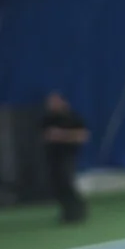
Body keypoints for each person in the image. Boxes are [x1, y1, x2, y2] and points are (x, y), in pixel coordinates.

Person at [41, 91, 89, 224]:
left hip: (68, 155)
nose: (51, 105)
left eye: (54, 102)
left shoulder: (73, 118)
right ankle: (67, 213)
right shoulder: (48, 118)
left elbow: (82, 136)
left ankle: (78, 210)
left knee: (67, 182)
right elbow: (47, 136)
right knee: (57, 186)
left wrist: (61, 135)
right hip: (52, 157)